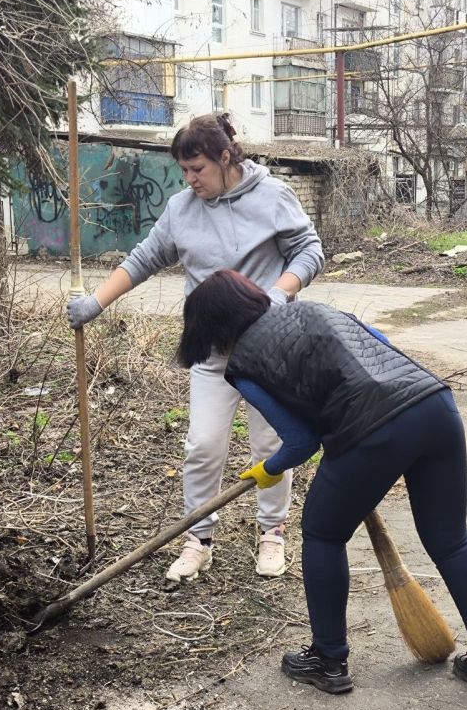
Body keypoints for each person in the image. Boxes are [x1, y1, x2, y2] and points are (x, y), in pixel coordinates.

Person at [176, 269, 467, 701]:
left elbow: (300, 442)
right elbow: (383, 347)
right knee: (451, 541)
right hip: (433, 405)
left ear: (211, 330)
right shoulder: (315, 310)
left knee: (322, 533)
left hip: (371, 432)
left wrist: (269, 468)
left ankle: (329, 659)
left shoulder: (243, 365)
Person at [67, 114, 324, 581]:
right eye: (184, 171)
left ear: (225, 157)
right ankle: (198, 538)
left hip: (269, 347)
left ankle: (272, 532)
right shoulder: (182, 208)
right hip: (211, 350)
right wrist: (97, 303)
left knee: (269, 443)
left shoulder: (272, 198)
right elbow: (145, 257)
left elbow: (309, 249)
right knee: (203, 445)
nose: (190, 180)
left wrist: (279, 294)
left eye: (198, 169)